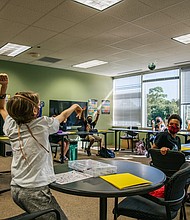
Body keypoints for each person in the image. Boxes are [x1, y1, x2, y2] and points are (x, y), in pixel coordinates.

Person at [0, 73, 82, 220]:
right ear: (34, 110)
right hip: (34, 192)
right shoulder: (42, 124)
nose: (39, 106)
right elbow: (63, 116)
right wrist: (75, 106)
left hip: (16, 189)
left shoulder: (11, 125)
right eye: (38, 104)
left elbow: (1, 108)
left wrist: (4, 87)